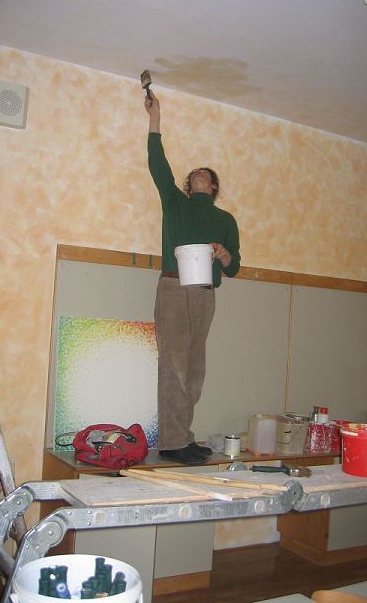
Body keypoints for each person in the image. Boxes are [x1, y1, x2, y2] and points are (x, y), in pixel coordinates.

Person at [145, 90, 241, 465]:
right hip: (174, 286)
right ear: (189, 185)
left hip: (205, 293)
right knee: (173, 365)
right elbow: (158, 164)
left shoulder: (225, 220)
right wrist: (155, 118)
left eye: (206, 174)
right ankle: (172, 442)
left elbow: (234, 267)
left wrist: (224, 254)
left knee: (194, 369)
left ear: (213, 187)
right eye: (194, 175)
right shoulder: (176, 204)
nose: (199, 174)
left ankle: (182, 436)